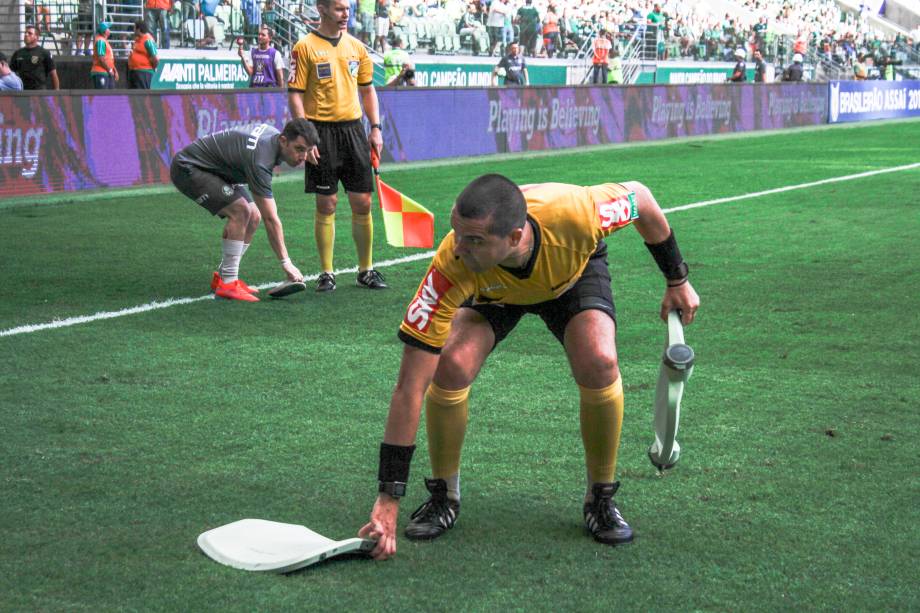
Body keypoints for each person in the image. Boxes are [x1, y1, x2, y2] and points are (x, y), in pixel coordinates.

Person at [357, 175, 700, 560]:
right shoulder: (455, 264)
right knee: (450, 365)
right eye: (456, 232)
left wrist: (678, 279)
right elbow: (408, 387)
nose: (457, 247)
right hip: (492, 289)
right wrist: (389, 497)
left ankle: (600, 497)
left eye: (473, 240)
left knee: (599, 361)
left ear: (515, 235)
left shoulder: (579, 214)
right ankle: (443, 494)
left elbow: (643, 197)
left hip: (570, 277)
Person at [287, 0, 389, 292]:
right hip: (320, 132)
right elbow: (295, 94)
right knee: (326, 202)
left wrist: (375, 128)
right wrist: (305, 136)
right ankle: (326, 272)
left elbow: (368, 90)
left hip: (354, 130)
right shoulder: (304, 47)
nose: (346, 14)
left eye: (348, 9)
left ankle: (366, 270)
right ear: (322, 9)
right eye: (340, 9)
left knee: (363, 202)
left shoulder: (357, 47)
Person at [170, 119, 317, 301]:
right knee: (240, 211)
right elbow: (271, 219)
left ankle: (224, 277)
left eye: (308, 150)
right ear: (283, 140)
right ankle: (229, 283)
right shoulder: (261, 160)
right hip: (188, 167)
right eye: (299, 149)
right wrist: (286, 263)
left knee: (253, 216)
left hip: (218, 169)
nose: (303, 156)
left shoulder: (272, 139)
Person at [9, 25, 60, 90]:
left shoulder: (44, 53)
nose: (26, 35)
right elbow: (11, 73)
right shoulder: (18, 53)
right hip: (22, 92)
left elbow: (53, 74)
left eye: (30, 33)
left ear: (36, 37)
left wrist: (57, 93)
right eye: (25, 33)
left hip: (39, 92)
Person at [128, 21, 159, 89]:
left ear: (138, 30)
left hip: (143, 72)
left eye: (134, 28)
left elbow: (155, 58)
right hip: (135, 71)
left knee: (142, 95)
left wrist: (153, 67)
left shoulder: (148, 40)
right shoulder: (138, 40)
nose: (133, 30)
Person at [90, 22, 118, 90]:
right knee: (102, 96)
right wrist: (110, 70)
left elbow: (109, 58)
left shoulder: (104, 41)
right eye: (108, 29)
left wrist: (114, 70)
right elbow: (101, 58)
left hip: (107, 72)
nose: (109, 30)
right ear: (104, 31)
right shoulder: (100, 41)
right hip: (101, 72)